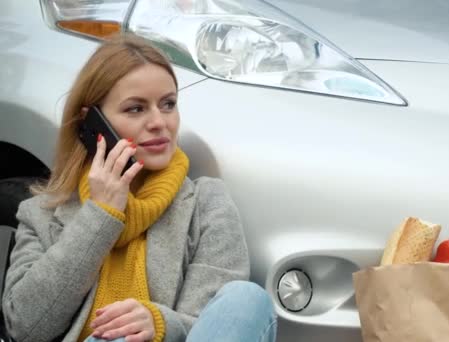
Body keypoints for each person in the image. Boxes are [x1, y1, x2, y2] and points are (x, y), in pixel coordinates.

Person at [1, 34, 277, 342]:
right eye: (136, 109)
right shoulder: (41, 212)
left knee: (247, 299)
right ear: (92, 123)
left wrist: (159, 323)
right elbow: (25, 328)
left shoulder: (206, 203)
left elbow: (211, 322)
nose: (160, 122)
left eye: (168, 104)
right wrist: (100, 215)